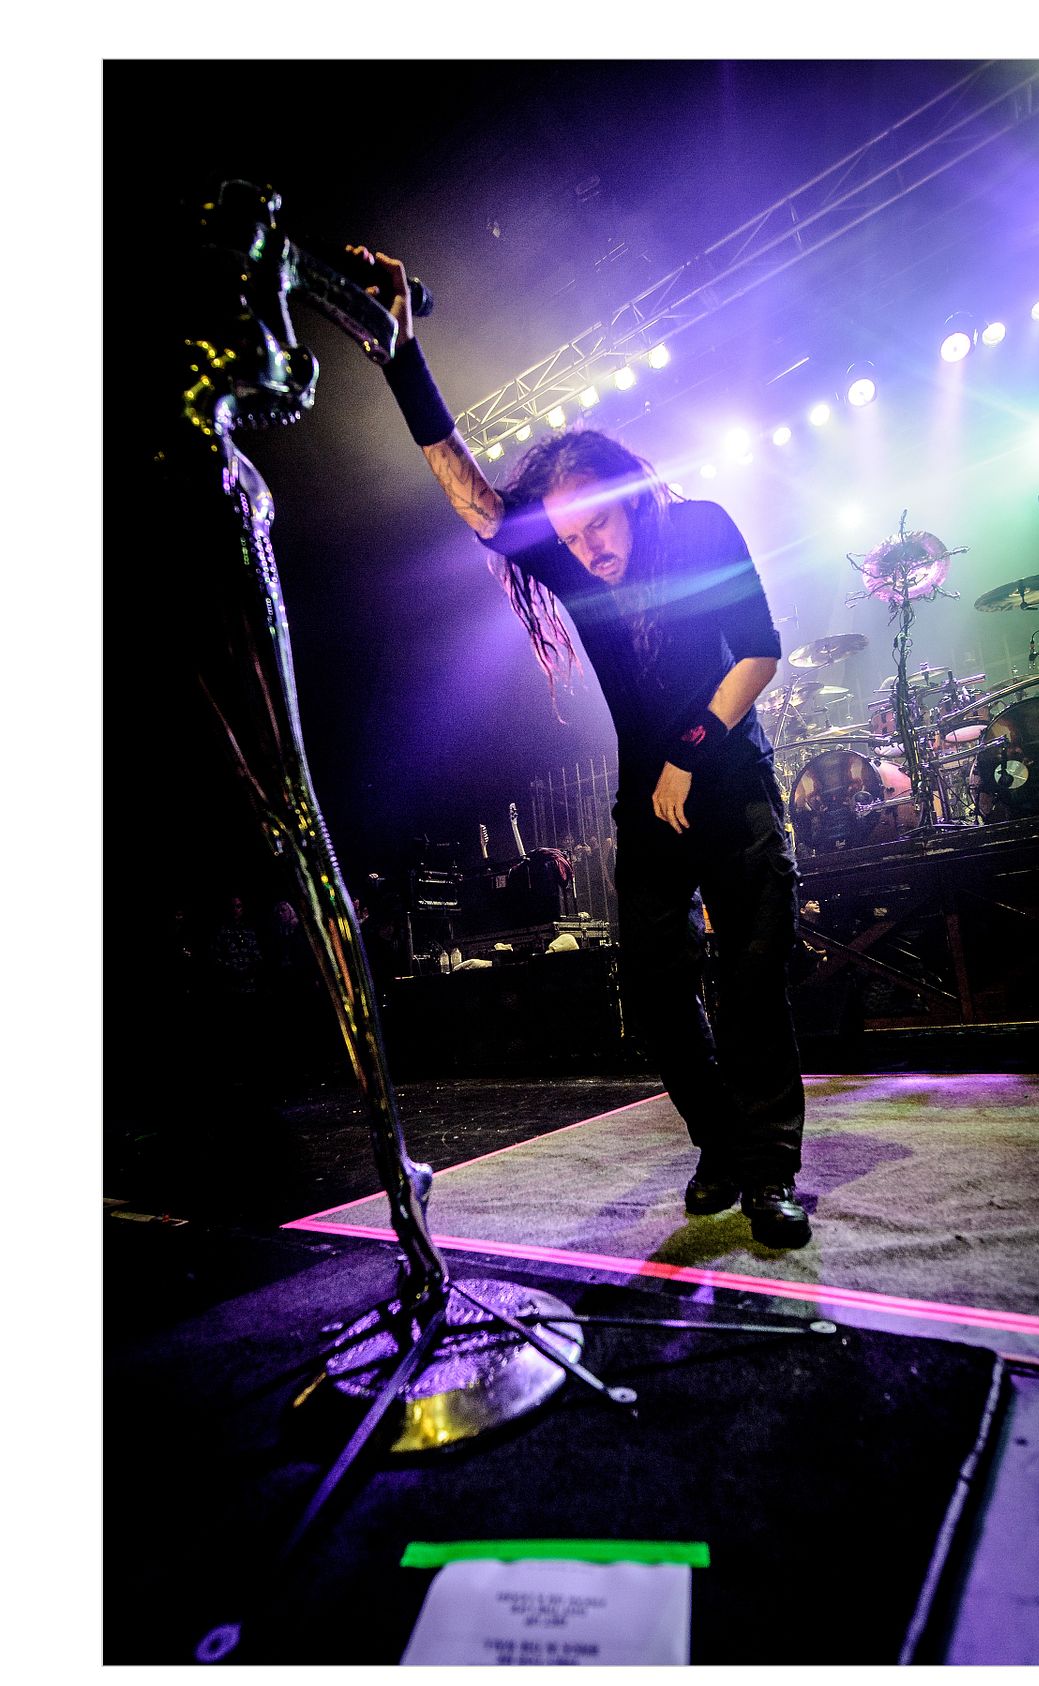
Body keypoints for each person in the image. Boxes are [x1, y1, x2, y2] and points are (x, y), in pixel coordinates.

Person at [352, 247, 813, 1247]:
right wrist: (401, 362)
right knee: (654, 989)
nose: (588, 550)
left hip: (731, 783)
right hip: (649, 807)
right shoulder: (571, 561)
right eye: (568, 539)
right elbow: (477, 500)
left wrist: (689, 749)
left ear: (631, 495)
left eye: (599, 527)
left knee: (752, 981)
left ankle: (772, 1173)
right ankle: (721, 1142)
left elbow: (761, 652)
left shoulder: (700, 529)